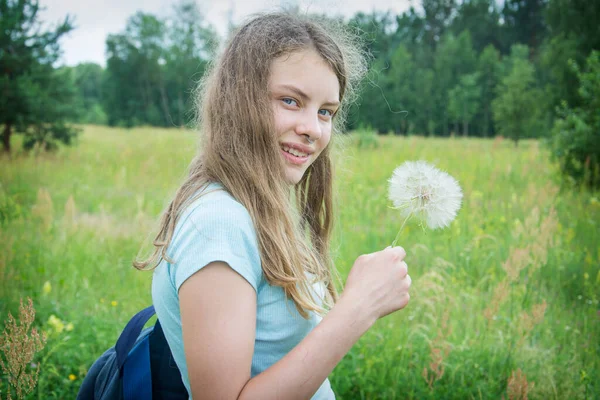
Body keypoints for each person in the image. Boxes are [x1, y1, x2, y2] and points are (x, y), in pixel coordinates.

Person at [134, 11, 412, 400]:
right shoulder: (219, 222)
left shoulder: (253, 206)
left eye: (325, 111)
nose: (312, 128)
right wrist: (358, 309)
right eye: (290, 100)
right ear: (238, 100)